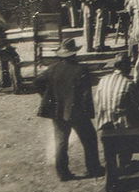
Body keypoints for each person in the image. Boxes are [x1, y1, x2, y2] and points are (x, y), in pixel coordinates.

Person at [38, 39, 103, 180]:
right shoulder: (81, 70)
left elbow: (37, 82)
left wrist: (47, 96)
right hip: (76, 111)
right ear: (74, 54)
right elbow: (86, 95)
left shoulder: (52, 69)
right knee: (89, 139)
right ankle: (93, 168)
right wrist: (88, 113)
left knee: (61, 141)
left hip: (57, 110)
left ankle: (62, 173)